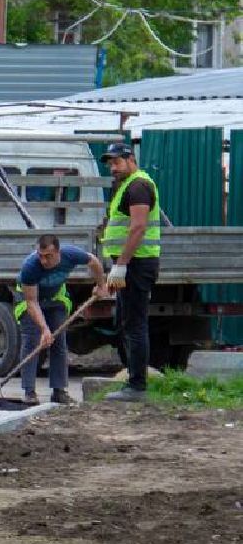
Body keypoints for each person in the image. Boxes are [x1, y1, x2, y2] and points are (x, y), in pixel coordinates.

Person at [99, 141, 161, 402]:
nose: (113, 168)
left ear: (131, 159)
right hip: (129, 264)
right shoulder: (126, 185)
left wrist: (121, 265)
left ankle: (137, 387)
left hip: (136, 264)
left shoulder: (138, 186)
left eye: (117, 162)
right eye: (110, 164)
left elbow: (138, 228)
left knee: (135, 325)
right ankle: (133, 381)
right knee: (126, 323)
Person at [14, 234, 107, 406]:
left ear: (58, 252)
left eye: (48, 256)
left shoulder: (70, 254)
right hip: (31, 300)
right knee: (32, 341)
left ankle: (59, 391)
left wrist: (101, 285)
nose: (43, 261)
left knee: (59, 343)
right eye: (40, 255)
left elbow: (93, 261)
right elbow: (32, 302)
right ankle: (29, 392)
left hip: (56, 298)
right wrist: (44, 329)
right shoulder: (30, 266)